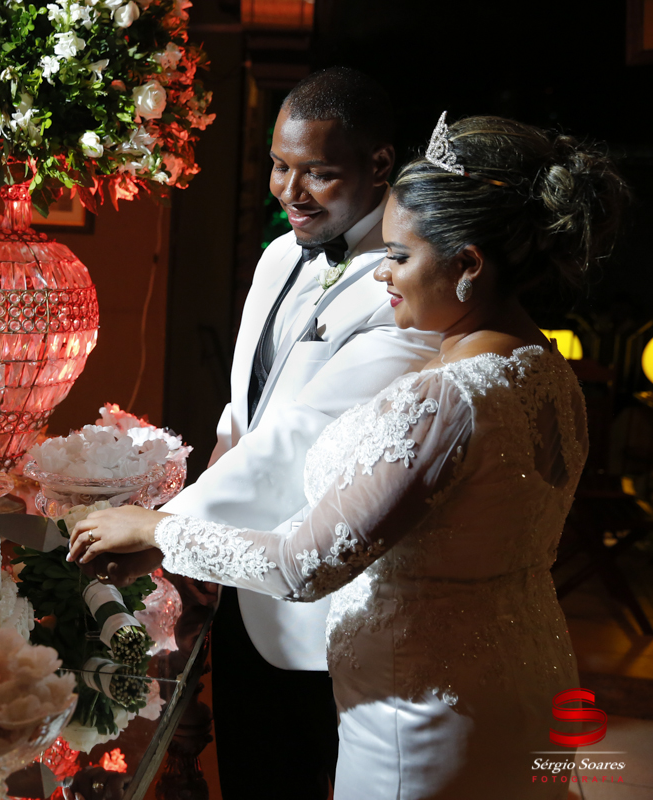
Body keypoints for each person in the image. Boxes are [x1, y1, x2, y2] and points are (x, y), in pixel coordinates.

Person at [69, 113, 629, 799]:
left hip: (425, 719)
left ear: (468, 264)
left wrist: (156, 529)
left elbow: (301, 566)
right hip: (525, 680)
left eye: (399, 256)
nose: (383, 274)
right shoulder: (549, 374)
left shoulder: (442, 401)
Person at [93, 67, 440, 799]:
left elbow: (302, 441)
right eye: (282, 167)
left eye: (318, 172)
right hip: (244, 587)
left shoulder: (402, 289)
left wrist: (163, 531)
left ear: (379, 165)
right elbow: (251, 410)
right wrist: (213, 467)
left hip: (331, 600)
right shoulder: (280, 253)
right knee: (254, 776)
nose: (291, 191)